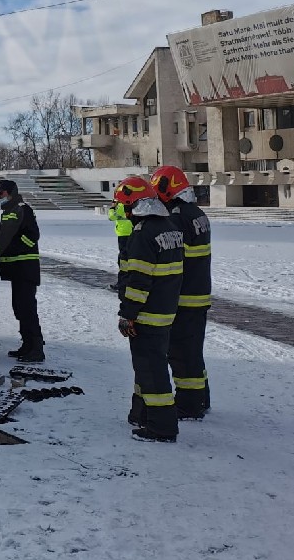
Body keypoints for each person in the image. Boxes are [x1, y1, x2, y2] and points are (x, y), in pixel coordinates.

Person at [114, 174, 184, 443]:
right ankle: (142, 414)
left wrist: (128, 315)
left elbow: (139, 281)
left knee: (151, 370)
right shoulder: (168, 227)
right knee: (148, 367)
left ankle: (162, 427)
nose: (123, 211)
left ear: (133, 205)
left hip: (147, 314)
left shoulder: (143, 234)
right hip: (166, 310)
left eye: (124, 205)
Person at [150, 165, 212, 419]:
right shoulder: (196, 213)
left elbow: (171, 260)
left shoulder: (176, 217)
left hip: (183, 298)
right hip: (198, 294)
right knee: (193, 351)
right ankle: (200, 398)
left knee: (181, 353)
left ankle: (188, 404)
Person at [0, 179, 44, 362]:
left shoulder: (23, 209)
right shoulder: (8, 212)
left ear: (10, 192)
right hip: (15, 268)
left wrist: (13, 247)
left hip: (25, 267)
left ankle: (36, 348)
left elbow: (33, 236)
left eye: (1, 193)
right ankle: (27, 344)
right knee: (19, 308)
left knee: (27, 308)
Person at [107, 196, 134, 290]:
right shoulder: (134, 203)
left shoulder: (122, 205)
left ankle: (122, 283)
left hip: (124, 234)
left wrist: (112, 207)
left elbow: (112, 217)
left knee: (123, 260)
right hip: (133, 233)